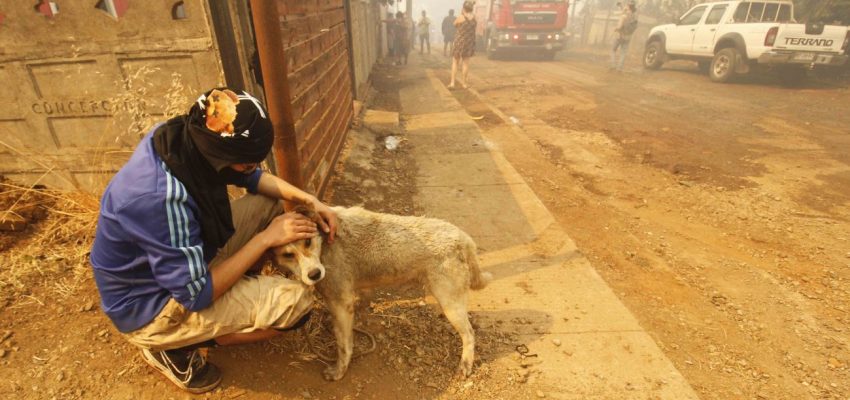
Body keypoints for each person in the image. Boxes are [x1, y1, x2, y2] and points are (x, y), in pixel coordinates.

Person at [90, 88, 338, 393]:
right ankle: (174, 346)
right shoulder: (163, 199)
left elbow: (251, 179)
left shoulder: (187, 136)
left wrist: (311, 201)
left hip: (183, 262)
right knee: (296, 304)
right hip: (151, 305)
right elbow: (196, 295)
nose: (251, 169)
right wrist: (263, 240)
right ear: (223, 155)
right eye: (247, 163)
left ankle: (235, 287)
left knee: (274, 203)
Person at [449, 1, 476, 89]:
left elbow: (455, 24)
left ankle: (452, 83)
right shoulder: (474, 18)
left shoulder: (461, 17)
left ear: (464, 8)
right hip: (469, 43)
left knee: (455, 62)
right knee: (466, 63)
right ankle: (464, 84)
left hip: (459, 42)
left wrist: (462, 13)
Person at [610, 1, 638, 72]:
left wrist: (615, 28)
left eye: (627, 6)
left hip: (620, 36)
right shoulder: (634, 17)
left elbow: (619, 27)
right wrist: (622, 9)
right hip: (628, 37)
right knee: (623, 53)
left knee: (613, 50)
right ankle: (620, 68)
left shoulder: (624, 16)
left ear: (628, 7)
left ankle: (613, 65)